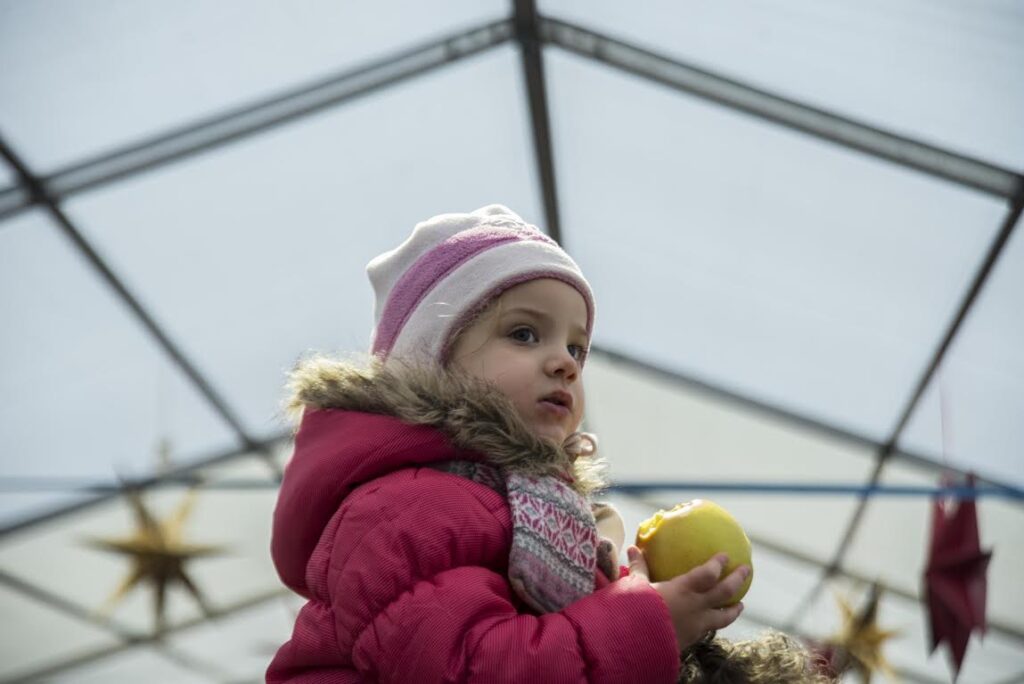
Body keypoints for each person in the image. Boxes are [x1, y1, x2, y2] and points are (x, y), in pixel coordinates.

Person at [267, 205, 829, 683]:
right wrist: (647, 622)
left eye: (578, 348)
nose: (564, 362)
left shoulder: (528, 507)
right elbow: (472, 667)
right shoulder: (407, 506)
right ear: (431, 361)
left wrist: (626, 591)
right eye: (524, 333)